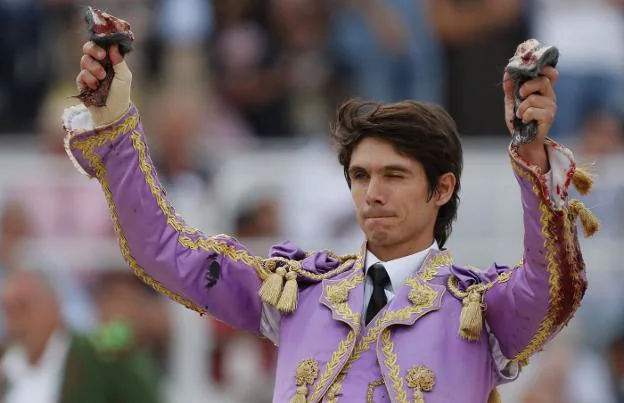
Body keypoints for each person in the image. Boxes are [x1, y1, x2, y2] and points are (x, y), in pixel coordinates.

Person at [61, 36, 597, 402]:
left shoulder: (480, 310)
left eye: (394, 175)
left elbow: (553, 288)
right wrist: (115, 126)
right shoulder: (299, 294)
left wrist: (532, 156)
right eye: (361, 177)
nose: (373, 193)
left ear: (442, 188)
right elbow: (165, 251)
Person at [0, 270, 161, 403]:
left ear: (54, 307)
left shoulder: (99, 355)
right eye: (8, 310)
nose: (15, 320)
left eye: (22, 307)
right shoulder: (6, 362)